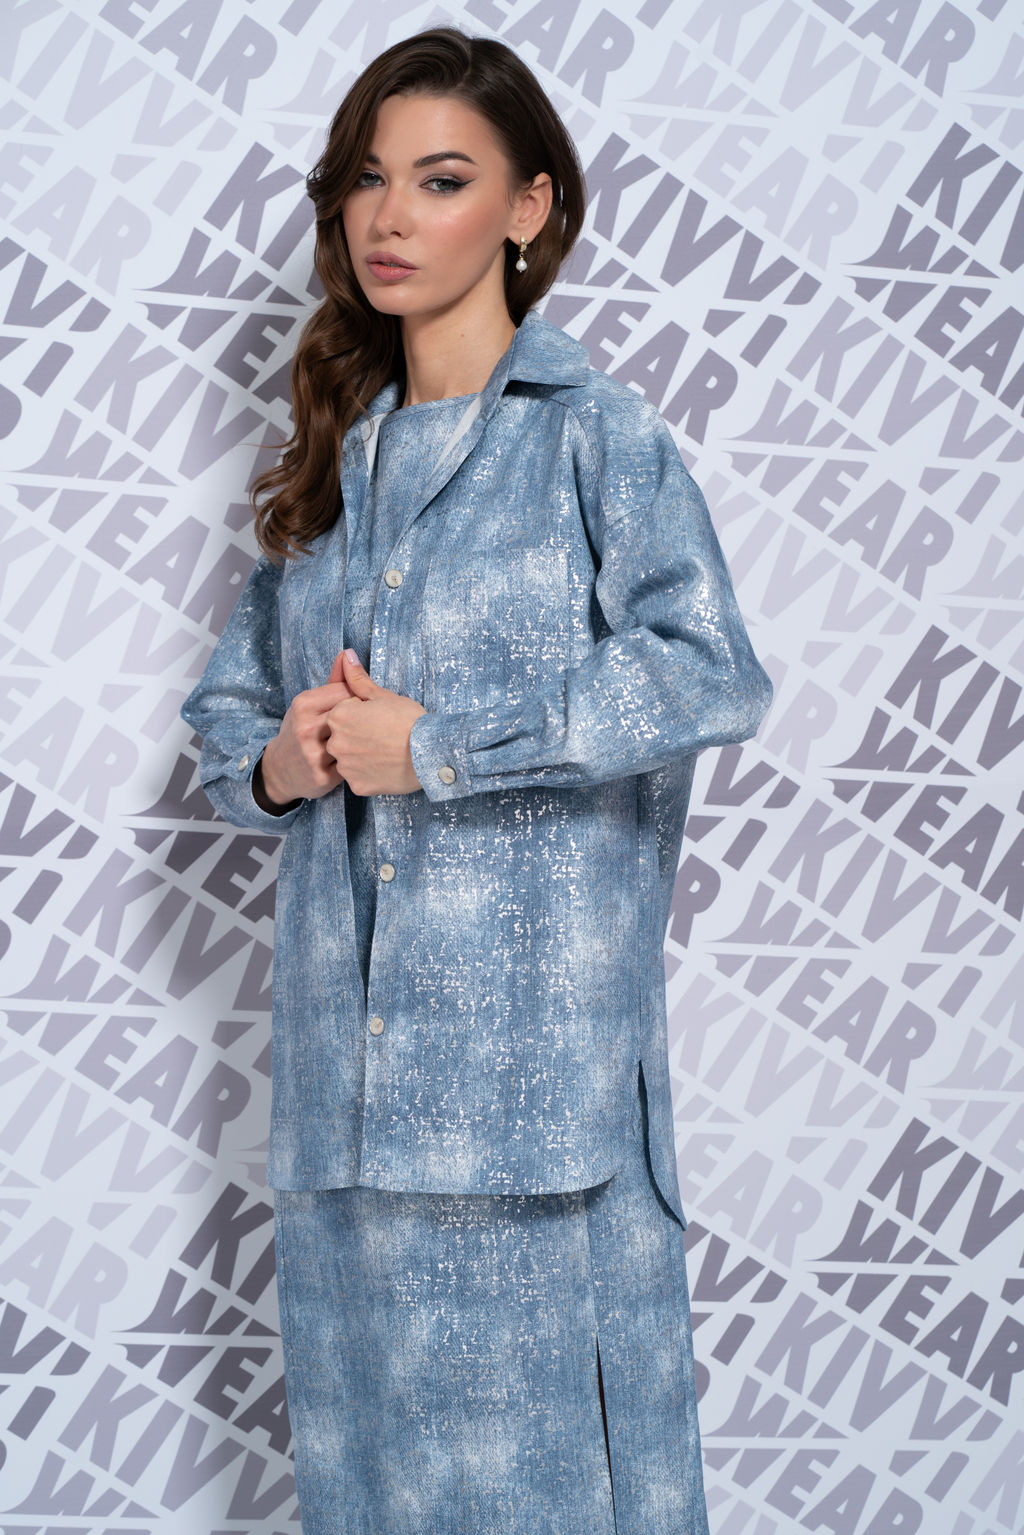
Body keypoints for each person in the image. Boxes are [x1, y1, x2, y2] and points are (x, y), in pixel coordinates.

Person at [181, 25, 772, 1535]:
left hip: (533, 1124)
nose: (390, 217)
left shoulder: (595, 439)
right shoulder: (334, 464)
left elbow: (707, 672)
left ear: (530, 206)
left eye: (441, 180)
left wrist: (436, 744)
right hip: (343, 1122)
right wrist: (288, 757)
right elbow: (230, 719)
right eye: (367, 179)